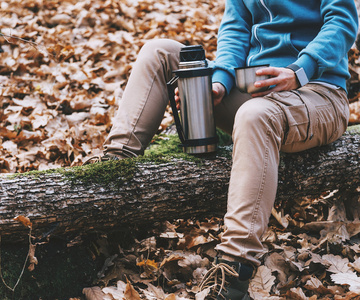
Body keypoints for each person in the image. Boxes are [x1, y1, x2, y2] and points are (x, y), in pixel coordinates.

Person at [86, 0, 359, 299]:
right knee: (160, 51)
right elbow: (235, 31)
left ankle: (235, 266)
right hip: (256, 89)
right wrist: (219, 83)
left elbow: (342, 21)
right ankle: (109, 175)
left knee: (255, 114)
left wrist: (299, 71)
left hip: (318, 93)